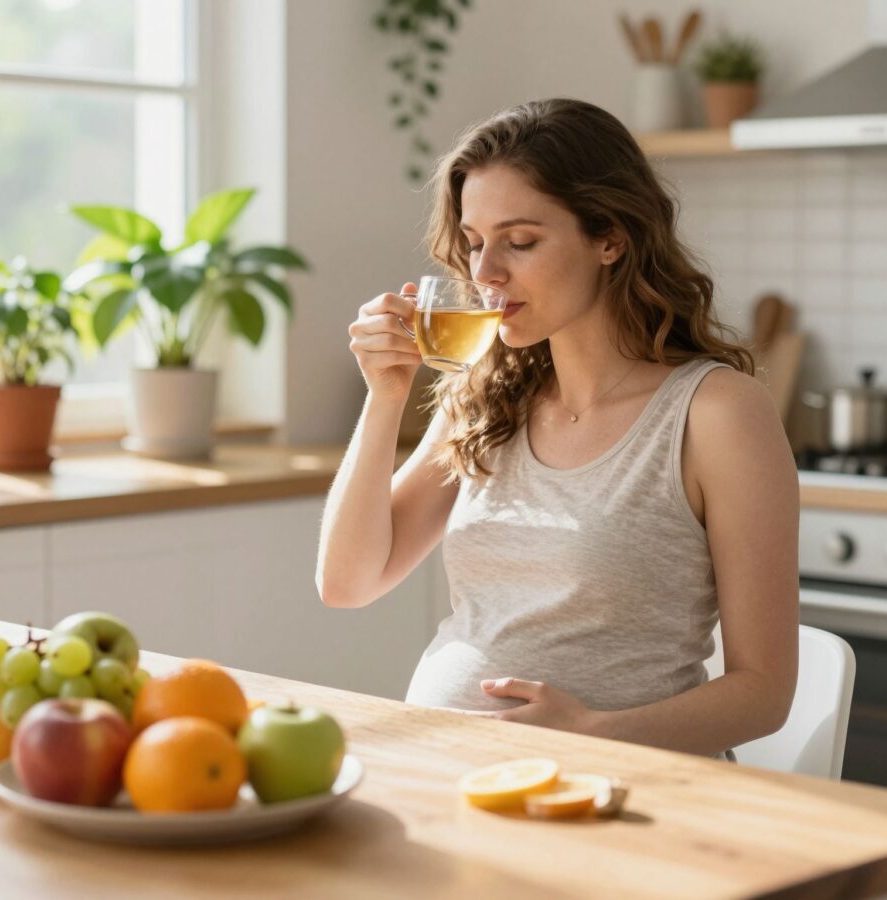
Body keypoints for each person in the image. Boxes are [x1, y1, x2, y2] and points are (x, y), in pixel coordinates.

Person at [316, 98, 798, 759]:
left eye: (519, 242)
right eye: (474, 243)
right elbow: (347, 582)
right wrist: (385, 397)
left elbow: (764, 692)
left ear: (610, 238)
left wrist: (594, 735)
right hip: (449, 774)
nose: (485, 274)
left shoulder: (716, 413)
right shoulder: (486, 398)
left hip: (616, 791)